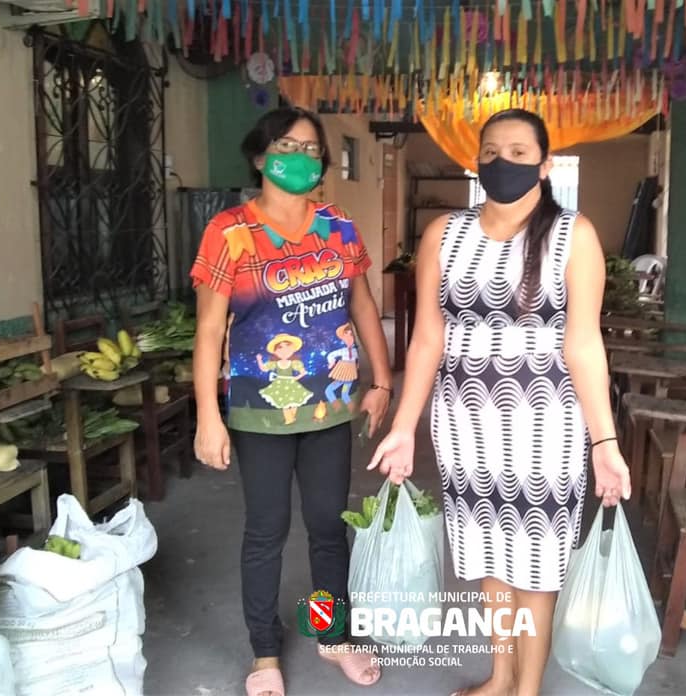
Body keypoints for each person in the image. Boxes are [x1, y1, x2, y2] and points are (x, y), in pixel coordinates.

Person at [368, 108, 631, 696]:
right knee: (489, 561)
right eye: (490, 151)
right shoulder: (443, 235)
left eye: (518, 151)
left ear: (545, 164)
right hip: (465, 428)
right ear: (476, 159)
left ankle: (527, 689)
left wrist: (604, 443)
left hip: (546, 429)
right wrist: (405, 426)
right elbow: (429, 338)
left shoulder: (574, 235)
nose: (502, 162)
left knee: (536, 571)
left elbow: (584, 344)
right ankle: (500, 677)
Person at [191, 106, 392, 696]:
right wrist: (209, 415)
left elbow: (361, 304)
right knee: (266, 530)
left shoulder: (338, 227)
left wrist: (380, 381)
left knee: (329, 527)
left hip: (330, 408)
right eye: (287, 145)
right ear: (260, 156)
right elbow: (208, 330)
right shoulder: (230, 232)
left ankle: (332, 636)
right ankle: (264, 655)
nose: (301, 157)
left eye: (311, 149)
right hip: (259, 411)